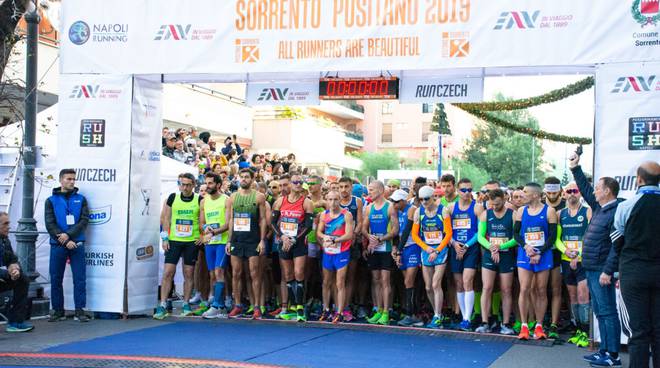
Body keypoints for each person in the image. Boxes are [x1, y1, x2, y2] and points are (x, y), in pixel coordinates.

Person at [568, 152, 622, 367]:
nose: (595, 191)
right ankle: (604, 351)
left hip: (601, 270)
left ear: (607, 191)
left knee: (608, 312)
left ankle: (614, 356)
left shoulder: (616, 211)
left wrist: (608, 271)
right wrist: (575, 168)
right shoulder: (600, 207)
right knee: (600, 312)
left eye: (598, 188)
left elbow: (617, 247)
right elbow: (586, 189)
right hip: (591, 268)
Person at [612, 161, 660, 368]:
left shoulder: (625, 206)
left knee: (638, 332)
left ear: (639, 180)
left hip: (633, 273)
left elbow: (616, 240)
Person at [154, 173, 203, 320]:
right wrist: (165, 238)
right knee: (168, 272)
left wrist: (202, 236)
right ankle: (162, 305)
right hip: (174, 240)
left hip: (191, 242)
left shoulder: (199, 199)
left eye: (188, 185)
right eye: (183, 184)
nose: (185, 187)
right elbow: (165, 219)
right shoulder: (172, 198)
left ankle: (186, 304)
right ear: (179, 184)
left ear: (194, 185)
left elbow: (202, 220)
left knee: (189, 273)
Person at [513, 182, 558, 340]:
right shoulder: (520, 211)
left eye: (525, 192)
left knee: (540, 290)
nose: (521, 194)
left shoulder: (549, 211)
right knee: (524, 289)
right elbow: (516, 234)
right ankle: (525, 326)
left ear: (535, 195)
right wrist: (526, 246)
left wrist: (540, 252)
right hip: (525, 253)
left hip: (543, 254)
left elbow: (552, 236)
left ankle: (539, 326)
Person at [45, 169, 90, 322]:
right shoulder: (50, 200)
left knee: (80, 278)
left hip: (76, 243)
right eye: (69, 179)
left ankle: (80, 310)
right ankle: (58, 311)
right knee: (56, 278)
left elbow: (84, 220)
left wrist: (69, 236)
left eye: (73, 179)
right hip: (58, 244)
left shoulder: (81, 199)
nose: (72, 182)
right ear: (61, 180)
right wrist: (64, 239)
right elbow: (50, 224)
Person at [272, 173, 314, 322]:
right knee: (288, 275)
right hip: (284, 242)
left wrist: (295, 239)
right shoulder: (279, 201)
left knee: (299, 273)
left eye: (300, 182)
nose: (298, 184)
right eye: (295, 182)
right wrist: (283, 237)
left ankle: (301, 308)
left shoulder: (306, 202)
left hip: (298, 243)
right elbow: (273, 222)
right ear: (289, 184)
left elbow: (309, 227)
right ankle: (293, 307)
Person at [226, 169, 268, 319]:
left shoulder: (259, 197)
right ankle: (238, 305)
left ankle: (257, 306)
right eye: (241, 177)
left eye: (246, 177)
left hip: (253, 240)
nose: (243, 179)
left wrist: (262, 240)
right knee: (236, 273)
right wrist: (229, 240)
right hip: (237, 240)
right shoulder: (232, 197)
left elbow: (263, 220)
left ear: (252, 179)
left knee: (254, 274)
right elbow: (230, 220)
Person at [555, 182, 592, 347]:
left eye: (575, 191)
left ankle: (586, 331)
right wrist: (566, 251)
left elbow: (591, 237)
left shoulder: (588, 211)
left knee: (584, 295)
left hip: (583, 260)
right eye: (569, 191)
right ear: (564, 193)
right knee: (572, 297)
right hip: (566, 259)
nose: (572, 194)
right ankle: (578, 329)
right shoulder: (560, 214)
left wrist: (579, 254)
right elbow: (557, 239)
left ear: (580, 193)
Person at [476, 189, 517, 335]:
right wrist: (491, 247)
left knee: (506, 289)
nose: (494, 207)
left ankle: (505, 323)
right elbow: (480, 236)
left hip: (506, 255)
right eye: (492, 204)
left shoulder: (512, 215)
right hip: (489, 255)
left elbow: (516, 238)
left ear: (504, 200)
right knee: (487, 287)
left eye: (498, 204)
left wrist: (501, 247)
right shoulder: (485, 214)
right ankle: (485, 321)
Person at [411, 186, 452, 329]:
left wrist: (437, 250)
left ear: (433, 197)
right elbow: (415, 235)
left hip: (440, 250)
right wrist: (426, 248)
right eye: (420, 199)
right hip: (426, 250)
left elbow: (448, 233)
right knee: (428, 287)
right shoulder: (418, 212)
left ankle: (437, 315)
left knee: (436, 284)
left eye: (426, 199)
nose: (423, 202)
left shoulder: (443, 211)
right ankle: (437, 313)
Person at [447, 178, 484, 331]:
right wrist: (455, 244)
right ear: (457, 190)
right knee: (459, 284)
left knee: (468, 281)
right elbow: (446, 231)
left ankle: (468, 317)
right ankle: (463, 317)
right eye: (463, 190)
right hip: (455, 247)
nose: (467, 193)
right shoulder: (450, 207)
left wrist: (466, 246)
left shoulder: (478, 208)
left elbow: (480, 232)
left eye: (469, 190)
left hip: (471, 248)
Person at [362, 181, 399, 325]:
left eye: (372, 190)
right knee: (375, 280)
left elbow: (395, 230)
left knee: (385, 281)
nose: (369, 192)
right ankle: (378, 310)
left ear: (381, 190)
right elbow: (364, 228)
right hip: (374, 248)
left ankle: (386, 312)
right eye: (368, 190)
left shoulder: (390, 207)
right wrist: (369, 237)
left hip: (386, 248)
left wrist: (381, 239)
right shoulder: (369, 208)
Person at [317, 190, 355, 324]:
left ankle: (339, 312)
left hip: (342, 252)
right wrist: (324, 238)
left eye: (335, 200)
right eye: (330, 199)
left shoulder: (346, 214)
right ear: (326, 200)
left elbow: (349, 234)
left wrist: (335, 240)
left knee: (340, 282)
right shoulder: (324, 214)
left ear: (340, 200)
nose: (332, 203)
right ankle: (326, 309)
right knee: (326, 282)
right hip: (328, 252)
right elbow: (319, 232)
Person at [199, 173, 231, 319]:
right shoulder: (204, 201)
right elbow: (201, 222)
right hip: (210, 242)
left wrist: (214, 232)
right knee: (212, 274)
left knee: (219, 272)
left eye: (211, 183)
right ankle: (221, 304)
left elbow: (227, 223)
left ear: (218, 185)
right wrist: (205, 228)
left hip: (222, 241)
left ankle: (217, 306)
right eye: (206, 183)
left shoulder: (226, 200)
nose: (207, 186)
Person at [391, 189, 422, 327]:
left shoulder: (412, 209)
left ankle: (411, 314)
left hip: (413, 246)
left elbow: (407, 230)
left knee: (409, 280)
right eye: (392, 201)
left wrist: (398, 251)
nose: (394, 204)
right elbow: (397, 232)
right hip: (403, 248)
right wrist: (395, 248)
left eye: (396, 202)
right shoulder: (397, 211)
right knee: (407, 282)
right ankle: (413, 313)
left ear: (404, 201)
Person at [0, 213, 33, 332]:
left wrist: (15, 270)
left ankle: (15, 322)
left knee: (22, 280)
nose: (9, 227)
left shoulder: (4, 240)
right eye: (5, 224)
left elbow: (12, 260)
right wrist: (8, 274)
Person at [542, 176, 566, 339]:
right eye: (549, 191)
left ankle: (554, 323)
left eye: (554, 191)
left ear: (560, 191)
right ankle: (541, 319)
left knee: (557, 288)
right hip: (541, 252)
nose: (551, 194)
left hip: (558, 253)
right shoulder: (540, 206)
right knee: (540, 289)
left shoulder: (565, 207)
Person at [338, 176, 363, 322]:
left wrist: (353, 235)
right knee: (339, 277)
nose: (343, 190)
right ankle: (338, 306)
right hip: (337, 244)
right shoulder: (334, 201)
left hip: (352, 243)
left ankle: (346, 307)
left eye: (346, 187)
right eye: (341, 187)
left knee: (350, 277)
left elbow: (360, 222)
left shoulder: (357, 202)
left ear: (351, 188)